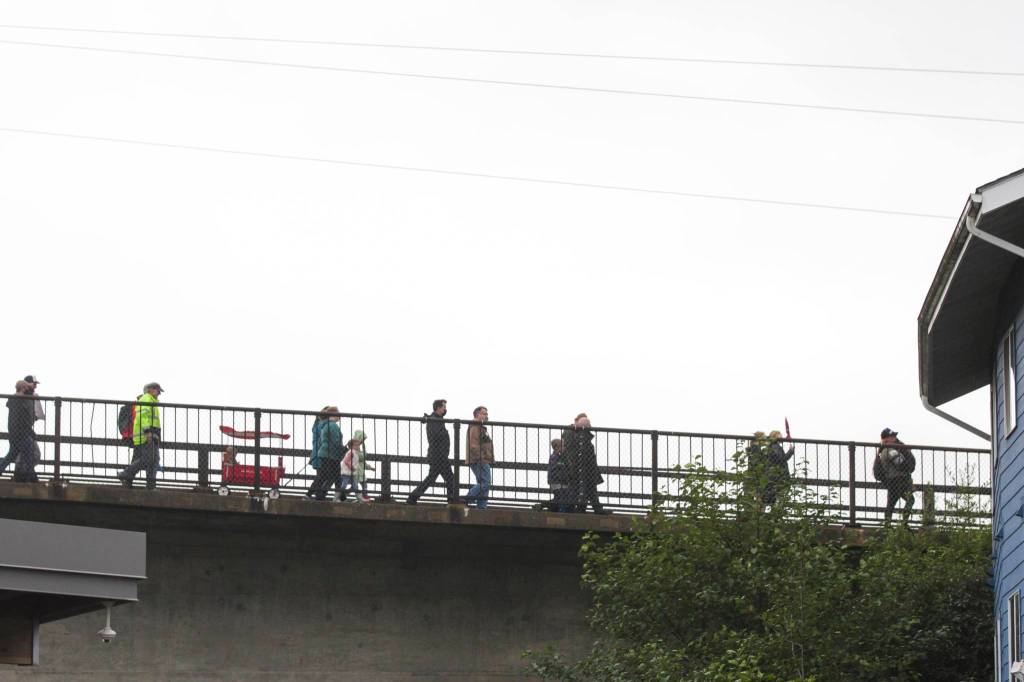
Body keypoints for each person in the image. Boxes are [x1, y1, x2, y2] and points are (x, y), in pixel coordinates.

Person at [406, 399, 456, 505]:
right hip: (438, 456)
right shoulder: (434, 420)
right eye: (444, 407)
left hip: (438, 455)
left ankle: (412, 498)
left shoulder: (435, 419)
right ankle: (452, 500)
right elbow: (436, 435)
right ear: (438, 408)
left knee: (431, 479)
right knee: (450, 478)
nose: (445, 409)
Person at [117, 382, 163, 489]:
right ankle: (126, 474)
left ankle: (136, 482)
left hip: (149, 435)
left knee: (152, 460)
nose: (159, 393)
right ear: (150, 389)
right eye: (158, 390)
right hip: (147, 435)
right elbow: (143, 416)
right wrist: (148, 432)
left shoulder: (150, 400)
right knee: (149, 459)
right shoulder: (147, 398)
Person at [563, 413, 608, 514]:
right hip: (578, 467)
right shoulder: (570, 433)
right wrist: (575, 427)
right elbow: (568, 442)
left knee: (589, 488)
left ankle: (592, 508)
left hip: (587, 467)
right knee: (581, 488)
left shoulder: (583, 437)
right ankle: (588, 508)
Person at [873, 427, 916, 525]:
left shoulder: (882, 451)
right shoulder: (890, 450)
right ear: (886, 439)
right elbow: (902, 464)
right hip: (898, 481)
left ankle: (887, 526)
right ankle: (904, 524)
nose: (895, 438)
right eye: (892, 436)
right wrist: (906, 455)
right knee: (910, 500)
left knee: (891, 505)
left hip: (892, 481)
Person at [306, 407, 346, 501]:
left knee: (325, 476)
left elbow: (322, 441)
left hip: (321, 454)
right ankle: (319, 495)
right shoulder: (332, 426)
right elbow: (335, 441)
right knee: (329, 477)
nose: (340, 417)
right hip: (331, 455)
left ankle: (317, 495)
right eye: (338, 415)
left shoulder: (321, 425)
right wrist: (344, 449)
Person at [5, 380, 40, 482]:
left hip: (15, 432)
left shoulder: (15, 400)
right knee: (29, 456)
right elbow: (22, 419)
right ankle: (32, 479)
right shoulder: (19, 400)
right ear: (23, 388)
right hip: (21, 433)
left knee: (12, 455)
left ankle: (31, 478)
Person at [464, 406, 494, 509]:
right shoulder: (475, 426)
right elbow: (474, 445)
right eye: (484, 414)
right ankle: (466, 499)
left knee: (483, 484)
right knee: (486, 483)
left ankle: (481, 507)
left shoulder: (479, 426)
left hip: (480, 459)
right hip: (479, 460)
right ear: (477, 415)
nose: (486, 416)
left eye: (486, 414)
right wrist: (481, 458)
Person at [339, 430, 372, 503]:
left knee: (357, 486)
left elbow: (363, 461)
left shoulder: (356, 450)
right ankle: (341, 496)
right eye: (362, 439)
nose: (362, 442)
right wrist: (364, 449)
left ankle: (361, 498)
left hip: (356, 471)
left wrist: (369, 467)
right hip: (352, 471)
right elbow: (362, 457)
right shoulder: (353, 451)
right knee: (350, 485)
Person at [546, 438, 573, 512]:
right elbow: (556, 471)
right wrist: (563, 478)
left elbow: (566, 467)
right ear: (558, 447)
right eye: (563, 446)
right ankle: (561, 512)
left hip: (562, 482)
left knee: (561, 498)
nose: (564, 448)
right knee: (561, 499)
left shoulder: (561, 457)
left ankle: (547, 506)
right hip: (557, 482)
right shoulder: (554, 457)